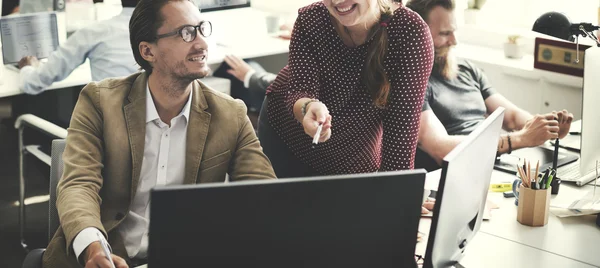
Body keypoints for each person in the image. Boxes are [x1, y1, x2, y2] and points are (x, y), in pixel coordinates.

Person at [43, 0, 276, 266]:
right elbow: (78, 185)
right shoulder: (99, 102)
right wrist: (93, 248)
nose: (201, 43)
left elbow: (263, 194)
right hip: (107, 254)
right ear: (148, 51)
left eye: (202, 29)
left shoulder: (230, 113)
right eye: (186, 33)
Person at [258, 0, 434, 178]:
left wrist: (403, 197)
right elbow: (299, 90)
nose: (337, 1)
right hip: (286, 136)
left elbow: (400, 144)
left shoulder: (411, 34)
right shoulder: (311, 19)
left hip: (354, 157)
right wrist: (308, 107)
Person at [405, 0, 573, 170]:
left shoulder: (466, 70)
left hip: (490, 163)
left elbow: (512, 118)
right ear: (418, 37)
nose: (454, 41)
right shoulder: (412, 84)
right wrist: (521, 139)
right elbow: (441, 149)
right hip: (456, 172)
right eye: (444, 33)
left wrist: (546, 127)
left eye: (454, 31)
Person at [17, 0, 139, 95]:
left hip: (108, 124)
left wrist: (27, 69)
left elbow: (36, 81)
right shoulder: (155, 33)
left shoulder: (97, 32)